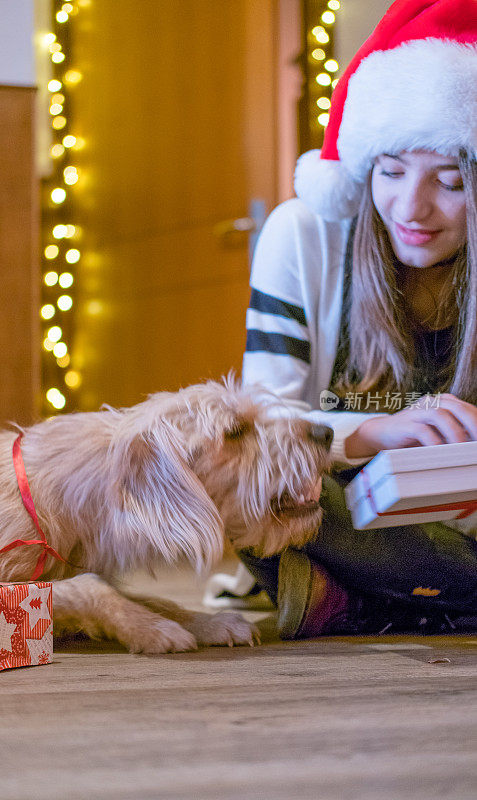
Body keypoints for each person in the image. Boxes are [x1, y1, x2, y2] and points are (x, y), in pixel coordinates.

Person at [210, 0, 477, 637]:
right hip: (336, 503)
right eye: (389, 172)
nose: (411, 207)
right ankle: (436, 598)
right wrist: (371, 437)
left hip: (458, 518)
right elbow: (260, 421)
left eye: (451, 181)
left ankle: (359, 601)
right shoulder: (305, 234)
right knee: (229, 474)